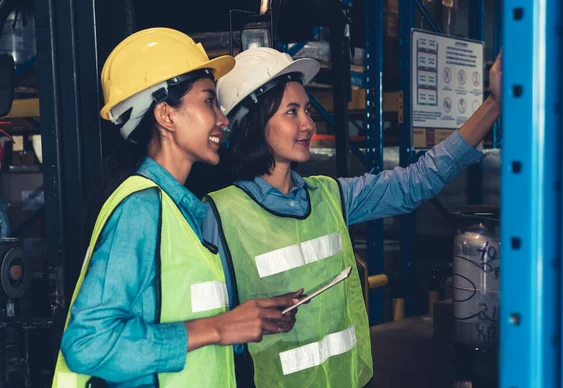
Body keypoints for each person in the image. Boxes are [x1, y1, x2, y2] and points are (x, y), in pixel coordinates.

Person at [202, 47, 503, 388]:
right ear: (255, 125)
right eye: (291, 112)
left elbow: (416, 182)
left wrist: (493, 104)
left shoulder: (330, 196)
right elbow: (212, 330)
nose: (307, 124)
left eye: (306, 110)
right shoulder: (219, 215)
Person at [52, 29, 301, 388]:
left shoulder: (180, 210)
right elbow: (87, 344)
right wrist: (217, 328)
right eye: (208, 102)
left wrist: (242, 319)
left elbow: (177, 315)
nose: (223, 118)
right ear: (166, 116)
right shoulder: (141, 209)